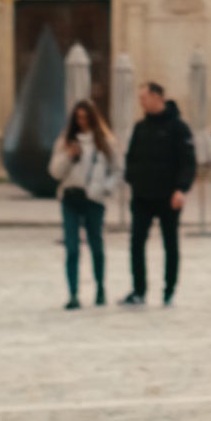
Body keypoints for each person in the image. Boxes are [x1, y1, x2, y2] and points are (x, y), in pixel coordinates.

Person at [122, 82, 196, 306]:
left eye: (143, 98)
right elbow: (131, 157)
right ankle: (139, 290)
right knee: (136, 243)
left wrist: (181, 189)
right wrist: (132, 179)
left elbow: (188, 162)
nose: (141, 102)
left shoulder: (178, 128)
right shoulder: (140, 128)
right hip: (142, 196)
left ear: (156, 97)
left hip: (168, 198)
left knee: (170, 245)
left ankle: (169, 289)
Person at [50, 100, 121, 309]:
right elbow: (54, 172)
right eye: (78, 118)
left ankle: (100, 287)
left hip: (94, 200)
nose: (82, 122)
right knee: (72, 248)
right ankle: (73, 293)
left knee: (96, 246)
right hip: (71, 198)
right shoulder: (65, 142)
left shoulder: (105, 142)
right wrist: (68, 157)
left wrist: (104, 189)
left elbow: (117, 170)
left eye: (85, 117)